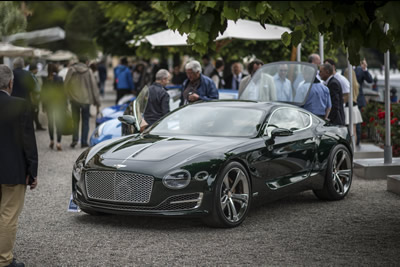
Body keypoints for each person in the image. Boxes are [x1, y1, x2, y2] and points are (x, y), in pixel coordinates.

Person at [0, 64, 38, 267]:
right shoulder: (20, 105)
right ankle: (3, 259)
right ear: (11, 83)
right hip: (13, 169)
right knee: (8, 215)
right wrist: (32, 172)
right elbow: (28, 141)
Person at [65, 56, 101, 148]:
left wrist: (66, 97)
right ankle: (84, 142)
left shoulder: (71, 70)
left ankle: (75, 139)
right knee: (85, 121)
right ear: (86, 61)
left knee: (75, 120)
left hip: (74, 99)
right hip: (86, 100)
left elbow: (66, 84)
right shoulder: (88, 71)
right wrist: (97, 102)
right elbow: (94, 86)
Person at [11, 57, 44, 131]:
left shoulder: (11, 74)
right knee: (26, 123)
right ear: (22, 65)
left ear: (14, 64)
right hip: (26, 101)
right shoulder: (28, 74)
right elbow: (33, 90)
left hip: (13, 101)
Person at [41, 63, 66, 151]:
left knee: (50, 123)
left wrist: (43, 106)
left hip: (49, 105)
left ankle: (51, 140)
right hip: (58, 105)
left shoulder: (45, 80)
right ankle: (58, 143)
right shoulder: (59, 79)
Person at [355, 58, 373, 145]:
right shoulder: (346, 69)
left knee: (357, 121)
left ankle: (357, 141)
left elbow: (370, 80)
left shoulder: (360, 69)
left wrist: (365, 69)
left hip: (358, 99)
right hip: (348, 99)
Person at [343, 68, 363, 145]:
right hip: (355, 108)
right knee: (354, 130)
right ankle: (354, 147)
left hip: (347, 108)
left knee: (347, 131)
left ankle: (349, 147)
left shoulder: (346, 85)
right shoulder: (356, 85)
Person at [28, 63, 46, 131]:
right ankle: (32, 126)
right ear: (34, 69)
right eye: (36, 69)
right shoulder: (30, 76)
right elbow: (31, 88)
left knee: (36, 111)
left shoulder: (33, 76)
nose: (37, 70)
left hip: (37, 96)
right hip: (34, 96)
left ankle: (38, 125)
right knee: (34, 111)